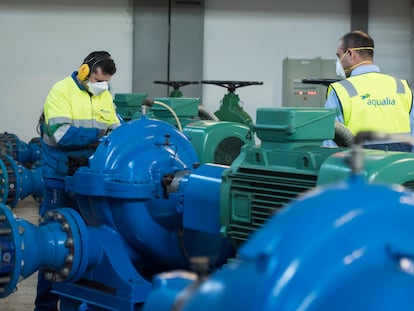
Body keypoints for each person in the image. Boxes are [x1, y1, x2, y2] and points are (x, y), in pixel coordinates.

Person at [35, 51, 120, 311]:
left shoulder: (104, 95)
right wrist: (99, 135)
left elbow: (115, 128)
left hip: (87, 180)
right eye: (97, 79)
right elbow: (61, 134)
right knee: (54, 244)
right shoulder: (61, 91)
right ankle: (46, 306)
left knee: (84, 244)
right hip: (59, 178)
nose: (101, 85)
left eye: (105, 81)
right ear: (84, 71)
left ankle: (77, 303)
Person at [324, 30, 414, 151]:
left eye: (339, 56)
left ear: (350, 53)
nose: (338, 62)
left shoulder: (341, 90)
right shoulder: (402, 87)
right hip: (399, 167)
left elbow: (330, 145)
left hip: (358, 166)